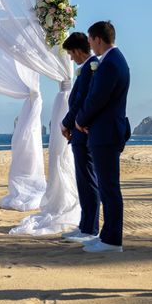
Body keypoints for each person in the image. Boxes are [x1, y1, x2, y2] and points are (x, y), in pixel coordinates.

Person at [75, 21, 130, 253]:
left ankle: (112, 239)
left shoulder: (110, 64)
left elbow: (97, 99)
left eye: (90, 40)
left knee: (108, 187)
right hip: (105, 130)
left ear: (98, 39)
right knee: (107, 186)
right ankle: (107, 235)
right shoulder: (114, 60)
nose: (89, 45)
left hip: (106, 132)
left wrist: (80, 121)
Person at [59, 33, 101, 244]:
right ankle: (85, 225)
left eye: (70, 53)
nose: (71, 58)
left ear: (77, 50)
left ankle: (91, 228)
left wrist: (66, 122)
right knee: (83, 182)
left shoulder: (91, 68)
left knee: (88, 181)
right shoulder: (87, 68)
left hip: (83, 133)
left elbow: (81, 102)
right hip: (80, 133)